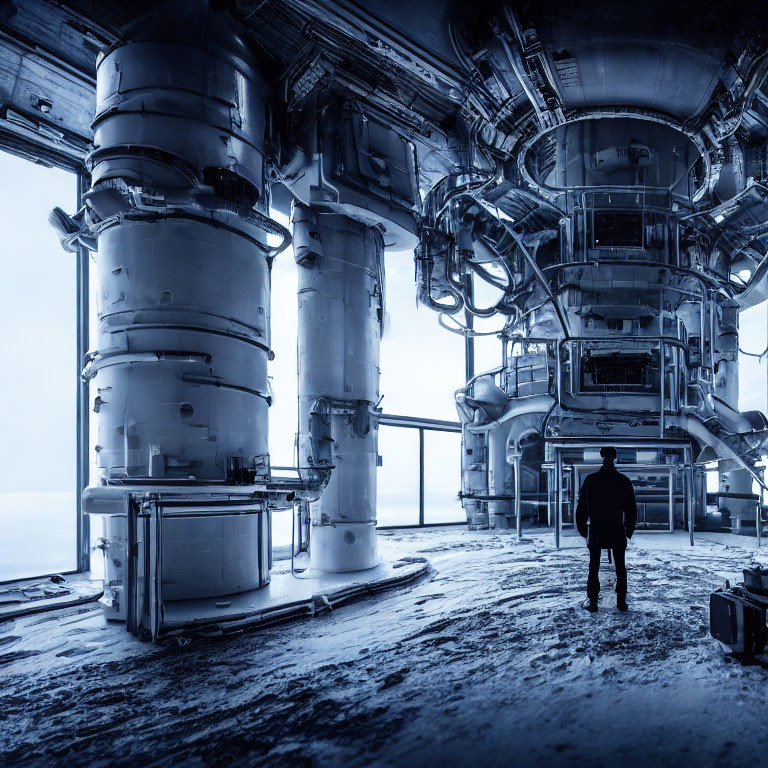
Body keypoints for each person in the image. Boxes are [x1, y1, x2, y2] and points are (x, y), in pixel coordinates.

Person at [575, 446, 637, 612]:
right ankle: (621, 602)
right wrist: (628, 531)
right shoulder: (623, 481)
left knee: (593, 566)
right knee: (620, 567)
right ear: (615, 457)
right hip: (616, 529)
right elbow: (631, 509)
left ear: (601, 456)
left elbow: (582, 508)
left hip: (596, 528)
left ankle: (593, 601)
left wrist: (583, 530)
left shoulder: (591, 480)